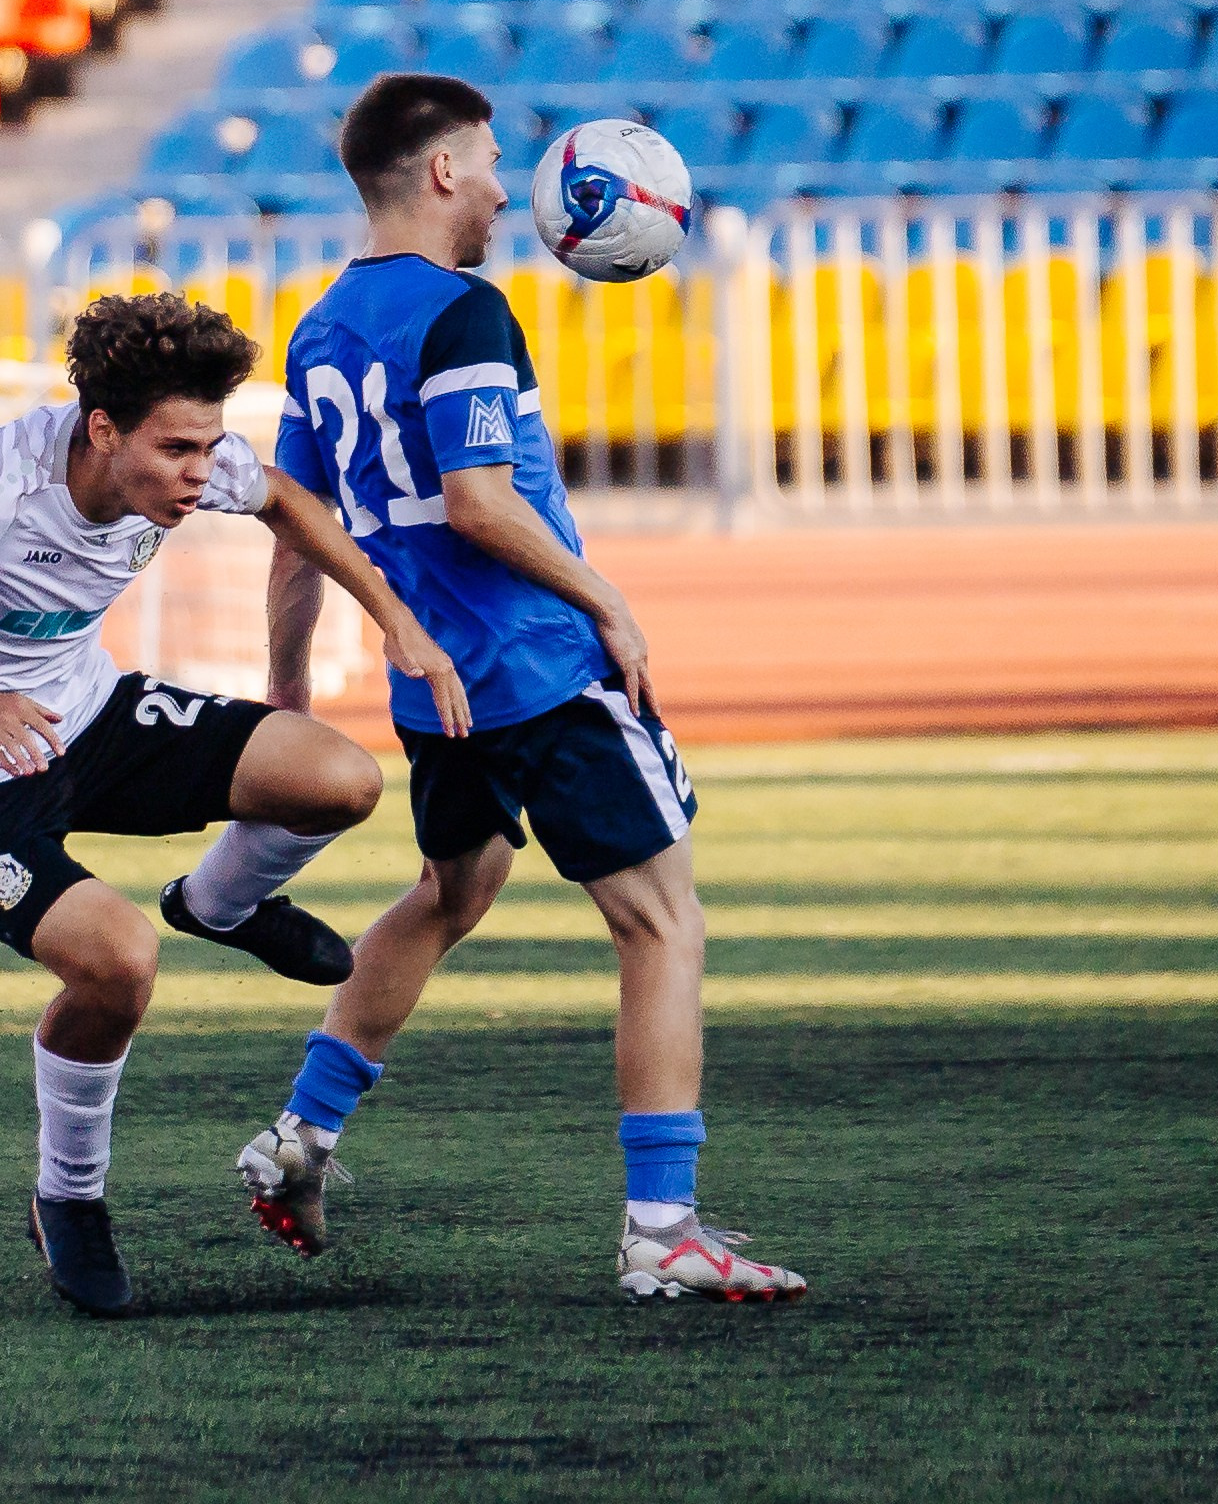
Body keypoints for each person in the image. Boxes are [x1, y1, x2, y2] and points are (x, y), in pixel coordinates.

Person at [234, 74, 806, 1304]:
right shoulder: (463, 312)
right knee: (661, 923)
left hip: (431, 681)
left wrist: (288, 689)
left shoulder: (320, 323)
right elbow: (478, 499)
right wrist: (604, 600)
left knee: (452, 889)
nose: (505, 186)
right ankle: (661, 1227)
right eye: (489, 161)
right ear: (439, 172)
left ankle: (300, 1133)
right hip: (534, 668)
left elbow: (293, 527)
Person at [0, 292, 468, 1318]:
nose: (201, 473)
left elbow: (287, 500)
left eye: (210, 445)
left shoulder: (198, 463)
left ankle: (221, 903)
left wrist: (393, 622)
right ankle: (68, 1196)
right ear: (101, 430)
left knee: (340, 780)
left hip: (89, 716)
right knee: (116, 959)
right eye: (176, 450)